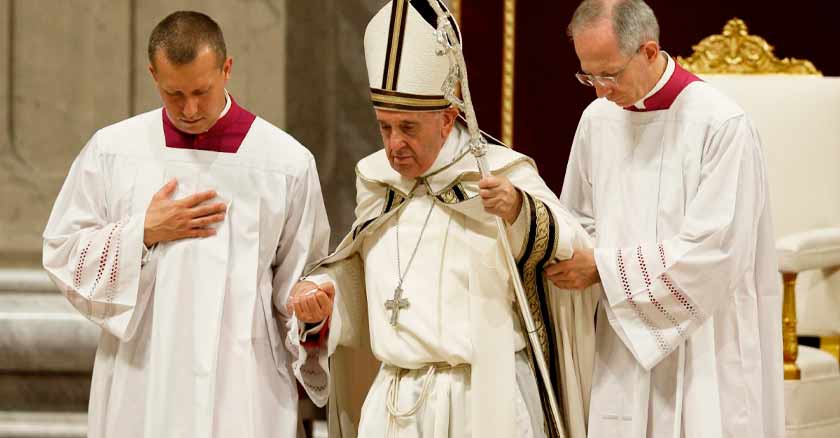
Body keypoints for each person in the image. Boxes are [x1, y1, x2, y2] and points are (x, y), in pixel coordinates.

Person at [284, 1, 598, 437]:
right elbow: (358, 273)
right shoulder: (377, 182)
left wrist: (517, 210)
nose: (394, 145)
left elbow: (576, 251)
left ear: (449, 119)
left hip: (483, 399)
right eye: (384, 127)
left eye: (408, 128)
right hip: (394, 403)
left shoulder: (501, 176)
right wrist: (323, 299)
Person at [42, 11, 329, 438]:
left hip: (244, 381)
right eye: (173, 93)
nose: (190, 109)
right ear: (152, 74)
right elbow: (63, 253)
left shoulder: (284, 162)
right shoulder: (113, 151)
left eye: (202, 91)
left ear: (227, 69)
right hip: (143, 376)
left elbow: (303, 278)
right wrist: (141, 232)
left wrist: (313, 315)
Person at [549, 1, 784, 437]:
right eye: (588, 75)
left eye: (609, 74)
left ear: (650, 51)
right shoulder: (597, 121)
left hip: (706, 340)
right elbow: (578, 219)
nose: (600, 90)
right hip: (622, 338)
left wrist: (603, 267)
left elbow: (714, 251)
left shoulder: (720, 124)